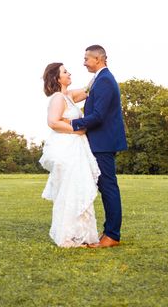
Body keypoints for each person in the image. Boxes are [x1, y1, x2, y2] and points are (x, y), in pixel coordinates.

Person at [66, 45, 127, 248]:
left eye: (86, 59)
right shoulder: (100, 80)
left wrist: (72, 125)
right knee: (105, 186)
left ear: (98, 58)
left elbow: (99, 116)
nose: (84, 62)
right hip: (100, 141)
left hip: (103, 142)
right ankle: (107, 232)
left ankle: (112, 235)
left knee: (108, 186)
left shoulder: (105, 81)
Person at [39, 62, 101, 248]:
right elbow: (52, 122)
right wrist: (76, 129)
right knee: (70, 189)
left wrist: (100, 70)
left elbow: (89, 88)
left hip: (78, 147)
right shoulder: (58, 97)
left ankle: (82, 235)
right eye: (65, 72)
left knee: (80, 187)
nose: (69, 73)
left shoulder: (70, 95)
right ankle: (67, 237)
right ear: (57, 78)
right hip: (67, 147)